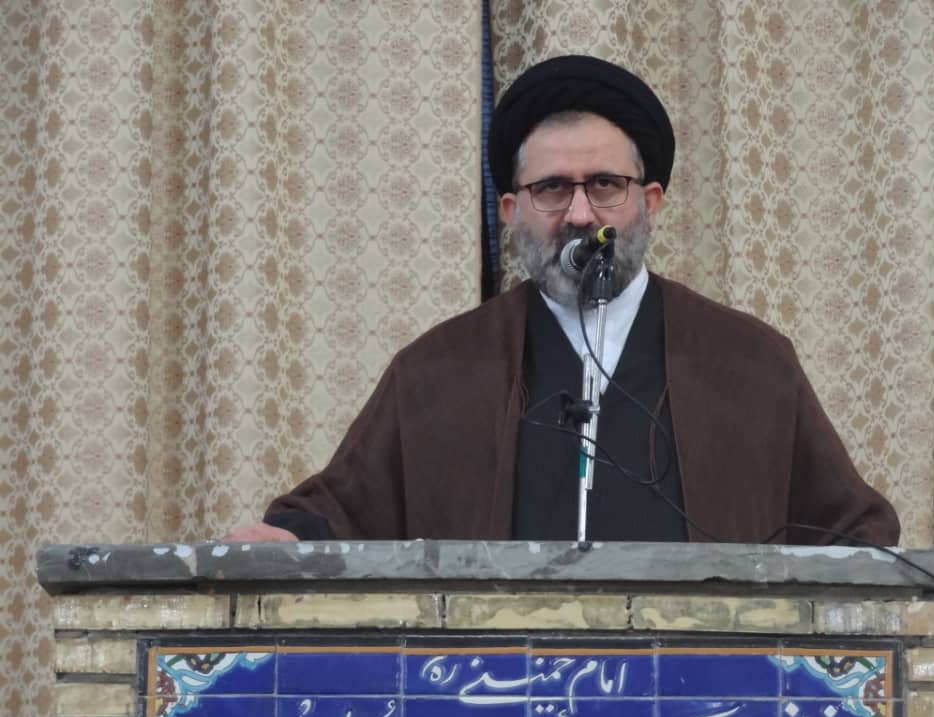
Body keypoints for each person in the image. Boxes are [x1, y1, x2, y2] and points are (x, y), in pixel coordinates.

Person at [227, 55, 899, 546]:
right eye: (552, 189)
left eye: (605, 184)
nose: (580, 215)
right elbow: (341, 513)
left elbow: (851, 531)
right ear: (512, 211)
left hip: (697, 700)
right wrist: (290, 540)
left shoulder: (748, 362)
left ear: (650, 202)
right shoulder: (439, 369)